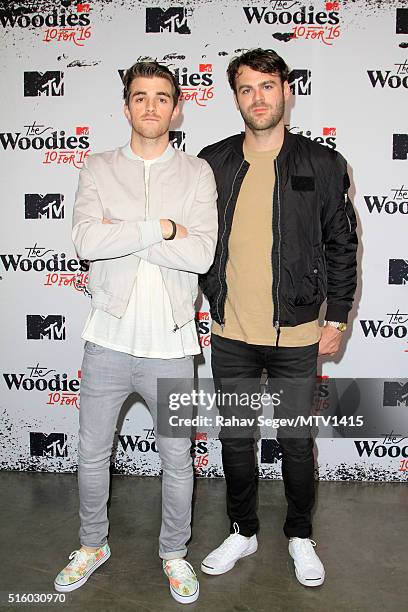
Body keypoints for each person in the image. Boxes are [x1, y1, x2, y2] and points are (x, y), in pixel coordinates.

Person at [53, 61, 218, 604]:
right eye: (140, 97)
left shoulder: (196, 173)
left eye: (162, 97)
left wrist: (122, 234)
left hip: (172, 347)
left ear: (176, 107)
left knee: (176, 461)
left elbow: (200, 252)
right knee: (92, 454)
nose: (151, 106)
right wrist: (161, 227)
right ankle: (91, 544)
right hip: (107, 341)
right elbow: (85, 241)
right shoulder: (98, 169)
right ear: (126, 107)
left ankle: (174, 553)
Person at [198, 48, 357, 587]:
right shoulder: (212, 162)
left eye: (268, 86)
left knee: (295, 440)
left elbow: (341, 245)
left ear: (286, 90)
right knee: (236, 439)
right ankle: (243, 530)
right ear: (235, 96)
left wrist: (336, 317)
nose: (258, 98)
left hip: (296, 334)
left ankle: (299, 535)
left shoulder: (322, 163)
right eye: (246, 88)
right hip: (231, 333)